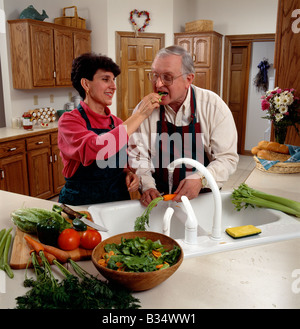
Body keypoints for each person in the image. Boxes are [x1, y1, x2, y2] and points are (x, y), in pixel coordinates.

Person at [128, 45, 239, 206]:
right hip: (160, 200)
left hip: (203, 198)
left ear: (188, 79)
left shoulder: (213, 106)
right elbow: (139, 157)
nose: (158, 84)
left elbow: (227, 158)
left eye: (167, 77)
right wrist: (148, 186)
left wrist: (201, 178)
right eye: (154, 75)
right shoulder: (144, 109)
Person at [58, 53, 161, 205]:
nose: (113, 86)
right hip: (81, 206)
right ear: (86, 84)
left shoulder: (116, 122)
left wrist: (128, 173)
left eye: (113, 80)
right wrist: (140, 115)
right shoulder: (69, 121)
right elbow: (98, 147)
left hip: (116, 202)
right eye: (105, 79)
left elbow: (121, 163)